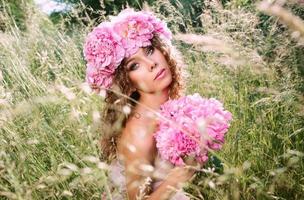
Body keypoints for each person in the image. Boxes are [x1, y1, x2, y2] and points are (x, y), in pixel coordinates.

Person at [83, 8, 197, 200]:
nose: (151, 63)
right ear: (126, 83)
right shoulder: (141, 133)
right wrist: (175, 180)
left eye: (150, 50)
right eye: (134, 65)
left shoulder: (167, 107)